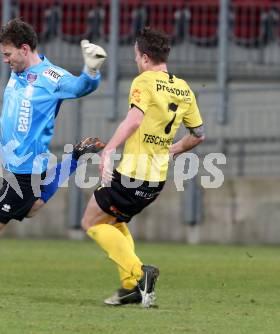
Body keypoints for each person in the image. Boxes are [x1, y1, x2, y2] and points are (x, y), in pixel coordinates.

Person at [0, 18, 107, 299]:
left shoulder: (50, 77)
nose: (5, 61)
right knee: (30, 208)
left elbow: (80, 88)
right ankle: (75, 158)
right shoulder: (18, 71)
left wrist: (91, 70)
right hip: (16, 166)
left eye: (8, 54)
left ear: (24, 49)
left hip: (26, 169)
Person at [81, 27, 205, 308]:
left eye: (137, 55)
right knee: (115, 221)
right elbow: (198, 135)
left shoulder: (144, 81)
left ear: (145, 57)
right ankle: (130, 288)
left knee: (90, 222)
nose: (136, 60)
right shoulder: (183, 88)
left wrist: (109, 149)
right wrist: (172, 149)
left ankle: (139, 274)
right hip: (155, 180)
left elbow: (135, 119)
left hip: (131, 175)